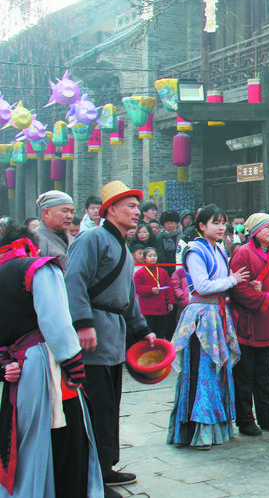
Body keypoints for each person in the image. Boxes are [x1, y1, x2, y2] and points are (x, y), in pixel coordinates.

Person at [64, 181, 156, 494]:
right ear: (110, 209)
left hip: (114, 336)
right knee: (96, 404)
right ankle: (94, 469)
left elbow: (128, 297)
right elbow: (74, 280)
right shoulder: (92, 238)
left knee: (109, 405)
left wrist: (142, 330)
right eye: (129, 206)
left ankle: (106, 464)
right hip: (93, 334)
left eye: (137, 206)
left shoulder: (123, 247)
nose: (136, 212)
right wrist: (83, 322)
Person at [0, 228, 103, 498]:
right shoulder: (39, 268)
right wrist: (73, 363)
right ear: (33, 246)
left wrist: (3, 362)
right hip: (46, 362)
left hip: (17, 367)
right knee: (59, 434)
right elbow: (55, 322)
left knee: (23, 439)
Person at [168, 205, 249, 449]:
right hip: (202, 317)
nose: (221, 227)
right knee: (201, 370)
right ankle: (196, 430)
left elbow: (222, 284)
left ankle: (216, 429)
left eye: (223, 222)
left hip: (218, 313)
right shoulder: (195, 251)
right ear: (201, 226)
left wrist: (240, 284)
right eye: (215, 222)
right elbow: (202, 286)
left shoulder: (220, 250)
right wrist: (233, 280)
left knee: (217, 372)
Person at [228, 213, 269, 438]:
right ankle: (245, 420)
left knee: (264, 374)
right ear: (255, 231)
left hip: (267, 322)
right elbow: (239, 289)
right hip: (246, 322)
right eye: (268, 227)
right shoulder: (243, 253)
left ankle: (268, 416)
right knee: (245, 376)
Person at [134, 247, 175, 340]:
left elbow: (169, 287)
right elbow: (137, 288)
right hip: (147, 310)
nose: (153, 258)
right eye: (150, 256)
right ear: (144, 258)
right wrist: (150, 290)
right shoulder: (139, 273)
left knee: (160, 334)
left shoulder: (163, 272)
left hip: (161, 309)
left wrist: (170, 301)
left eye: (154, 256)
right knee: (148, 335)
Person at [33, 190, 75, 269]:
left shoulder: (74, 239)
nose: (69, 216)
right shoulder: (35, 240)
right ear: (46, 213)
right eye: (65, 211)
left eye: (72, 212)